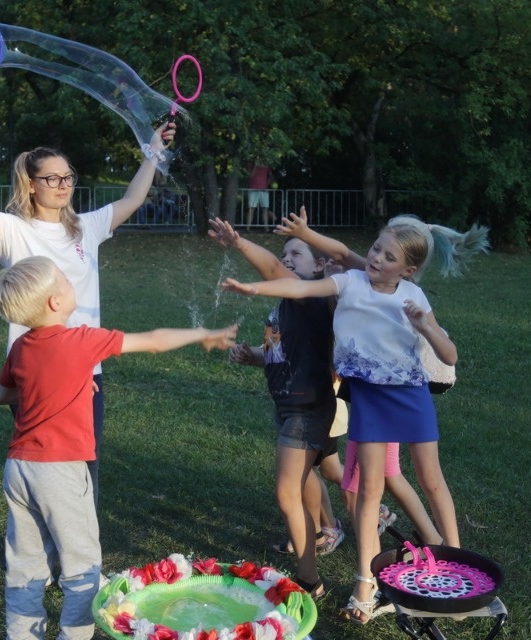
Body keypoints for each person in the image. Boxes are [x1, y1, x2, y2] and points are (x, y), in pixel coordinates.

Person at [221, 208, 488, 624]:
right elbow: (302, 286)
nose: (377, 258)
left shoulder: (413, 296)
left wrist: (426, 327)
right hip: (367, 400)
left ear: (409, 269)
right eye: (376, 249)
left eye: (387, 256)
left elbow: (450, 355)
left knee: (433, 482)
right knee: (369, 494)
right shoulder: (349, 282)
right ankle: (365, 581)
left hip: (411, 396)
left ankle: (455, 562)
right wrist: (251, 289)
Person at [0, 256, 237, 640]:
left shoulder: (21, 346)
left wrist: (54, 388)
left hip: (19, 467)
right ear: (55, 302)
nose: (71, 283)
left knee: (25, 568)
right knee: (83, 571)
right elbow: (154, 342)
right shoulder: (83, 339)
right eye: (64, 280)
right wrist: (201, 333)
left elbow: (2, 395)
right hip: (61, 472)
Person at [0, 101, 175, 504]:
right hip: (36, 371)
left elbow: (132, 199)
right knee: (42, 468)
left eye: (67, 177)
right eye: (51, 178)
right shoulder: (14, 231)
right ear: (30, 184)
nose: (62, 184)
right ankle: (45, 547)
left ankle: (78, 556)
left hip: (85, 370)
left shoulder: (85, 227)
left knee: (84, 467)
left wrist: (153, 151)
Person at [207, 216, 336, 599]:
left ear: (318, 266)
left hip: (306, 408)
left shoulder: (311, 294)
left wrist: (239, 242)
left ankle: (310, 582)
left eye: (297, 252)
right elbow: (286, 354)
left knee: (286, 493)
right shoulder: (286, 305)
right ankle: (314, 539)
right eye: (286, 253)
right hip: (288, 404)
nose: (288, 259)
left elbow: (274, 270)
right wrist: (256, 358)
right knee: (308, 480)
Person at [246, 163, 275, 227]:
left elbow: (271, 176)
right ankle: (248, 228)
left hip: (263, 190)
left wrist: (266, 184)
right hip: (253, 189)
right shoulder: (251, 165)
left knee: (265, 209)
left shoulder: (266, 165)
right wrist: (255, 166)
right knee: (251, 209)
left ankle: (266, 228)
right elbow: (250, 176)